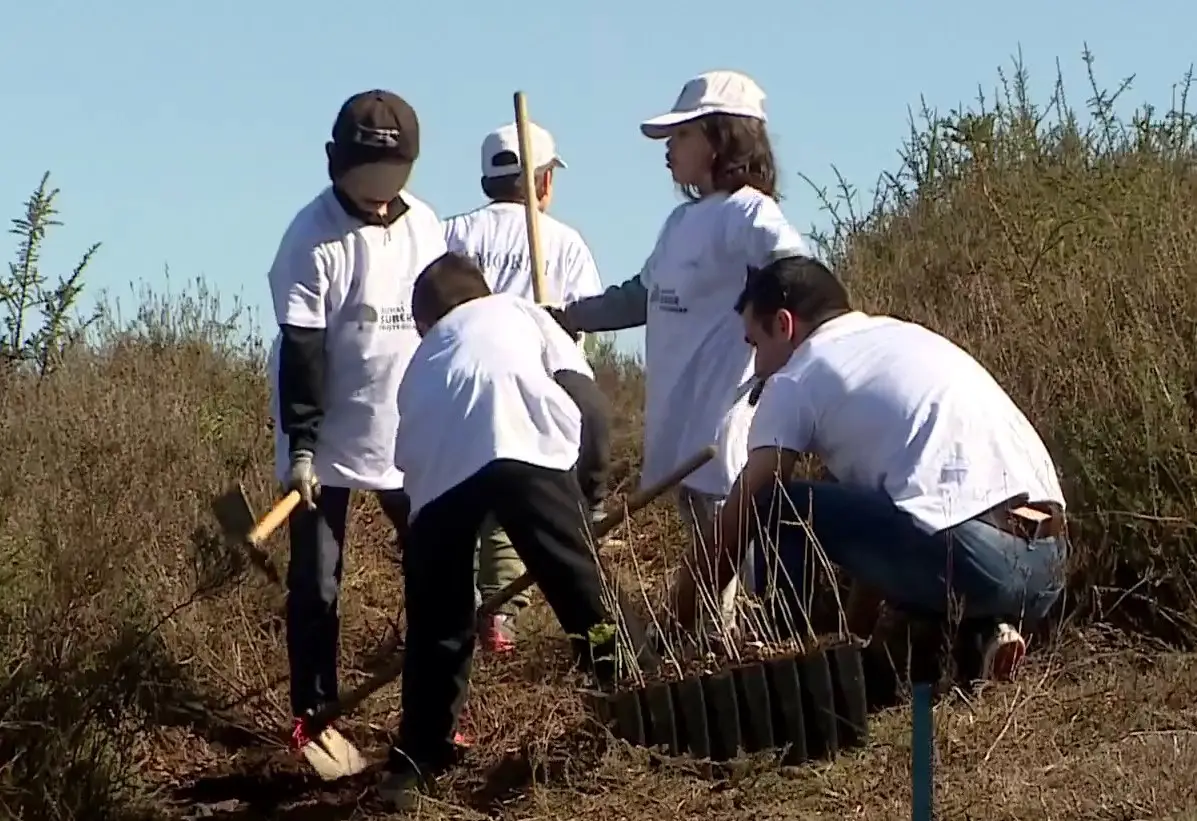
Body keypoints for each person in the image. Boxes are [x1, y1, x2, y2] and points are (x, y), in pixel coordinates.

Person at [668, 255, 1070, 683]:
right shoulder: (903, 338)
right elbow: (890, 520)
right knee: (908, 521)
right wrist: (856, 632)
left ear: (784, 326)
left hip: (974, 559)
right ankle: (980, 636)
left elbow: (743, 512)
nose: (757, 366)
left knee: (773, 504)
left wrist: (673, 626)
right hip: (1049, 565)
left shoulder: (796, 377)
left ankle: (795, 663)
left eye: (755, 345)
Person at [379, 251, 657, 809]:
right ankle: (643, 703)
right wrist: (587, 498)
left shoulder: (420, 363)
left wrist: (428, 558)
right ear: (480, 292)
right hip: (523, 448)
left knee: (438, 627)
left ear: (423, 324)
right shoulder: (521, 313)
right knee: (583, 593)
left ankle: (416, 765)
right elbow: (591, 408)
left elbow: (403, 471)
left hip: (436, 479)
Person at [547, 69, 813, 637]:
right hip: (679, 424)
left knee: (728, 552)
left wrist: (767, 339)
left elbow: (796, 273)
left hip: (720, 427)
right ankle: (716, 655)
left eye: (682, 136)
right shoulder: (681, 222)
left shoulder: (748, 214)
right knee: (709, 552)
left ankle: (734, 664)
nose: (669, 149)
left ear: (721, 140)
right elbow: (642, 296)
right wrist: (568, 316)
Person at [266, 88, 456, 753]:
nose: (379, 197)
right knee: (317, 581)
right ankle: (313, 714)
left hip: (411, 431)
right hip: (324, 434)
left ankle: (433, 715)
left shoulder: (426, 228)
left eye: (391, 181)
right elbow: (304, 351)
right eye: (365, 182)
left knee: (437, 571)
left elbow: (448, 326)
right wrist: (304, 448)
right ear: (333, 163)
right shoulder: (309, 238)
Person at [442, 120, 609, 652]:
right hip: (539, 388)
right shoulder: (564, 242)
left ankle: (468, 610)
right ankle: (499, 613)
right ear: (541, 181)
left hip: (461, 385)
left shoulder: (451, 236)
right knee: (517, 501)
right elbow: (581, 319)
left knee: (466, 496)